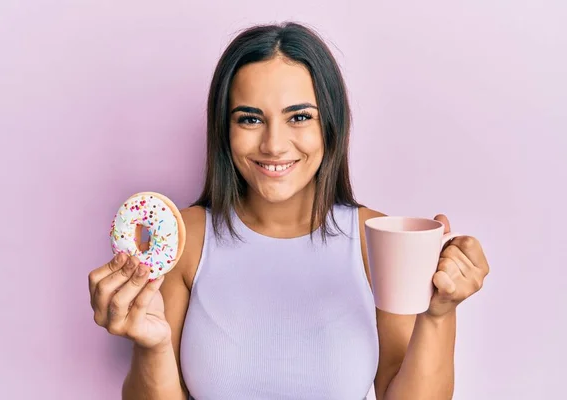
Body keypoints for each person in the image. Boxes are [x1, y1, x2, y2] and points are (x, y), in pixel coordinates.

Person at [88, 22, 490, 400]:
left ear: (330, 125)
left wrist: (439, 313)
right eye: (250, 119)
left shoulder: (376, 238)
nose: (274, 145)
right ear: (224, 131)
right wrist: (152, 346)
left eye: (299, 117)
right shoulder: (185, 239)